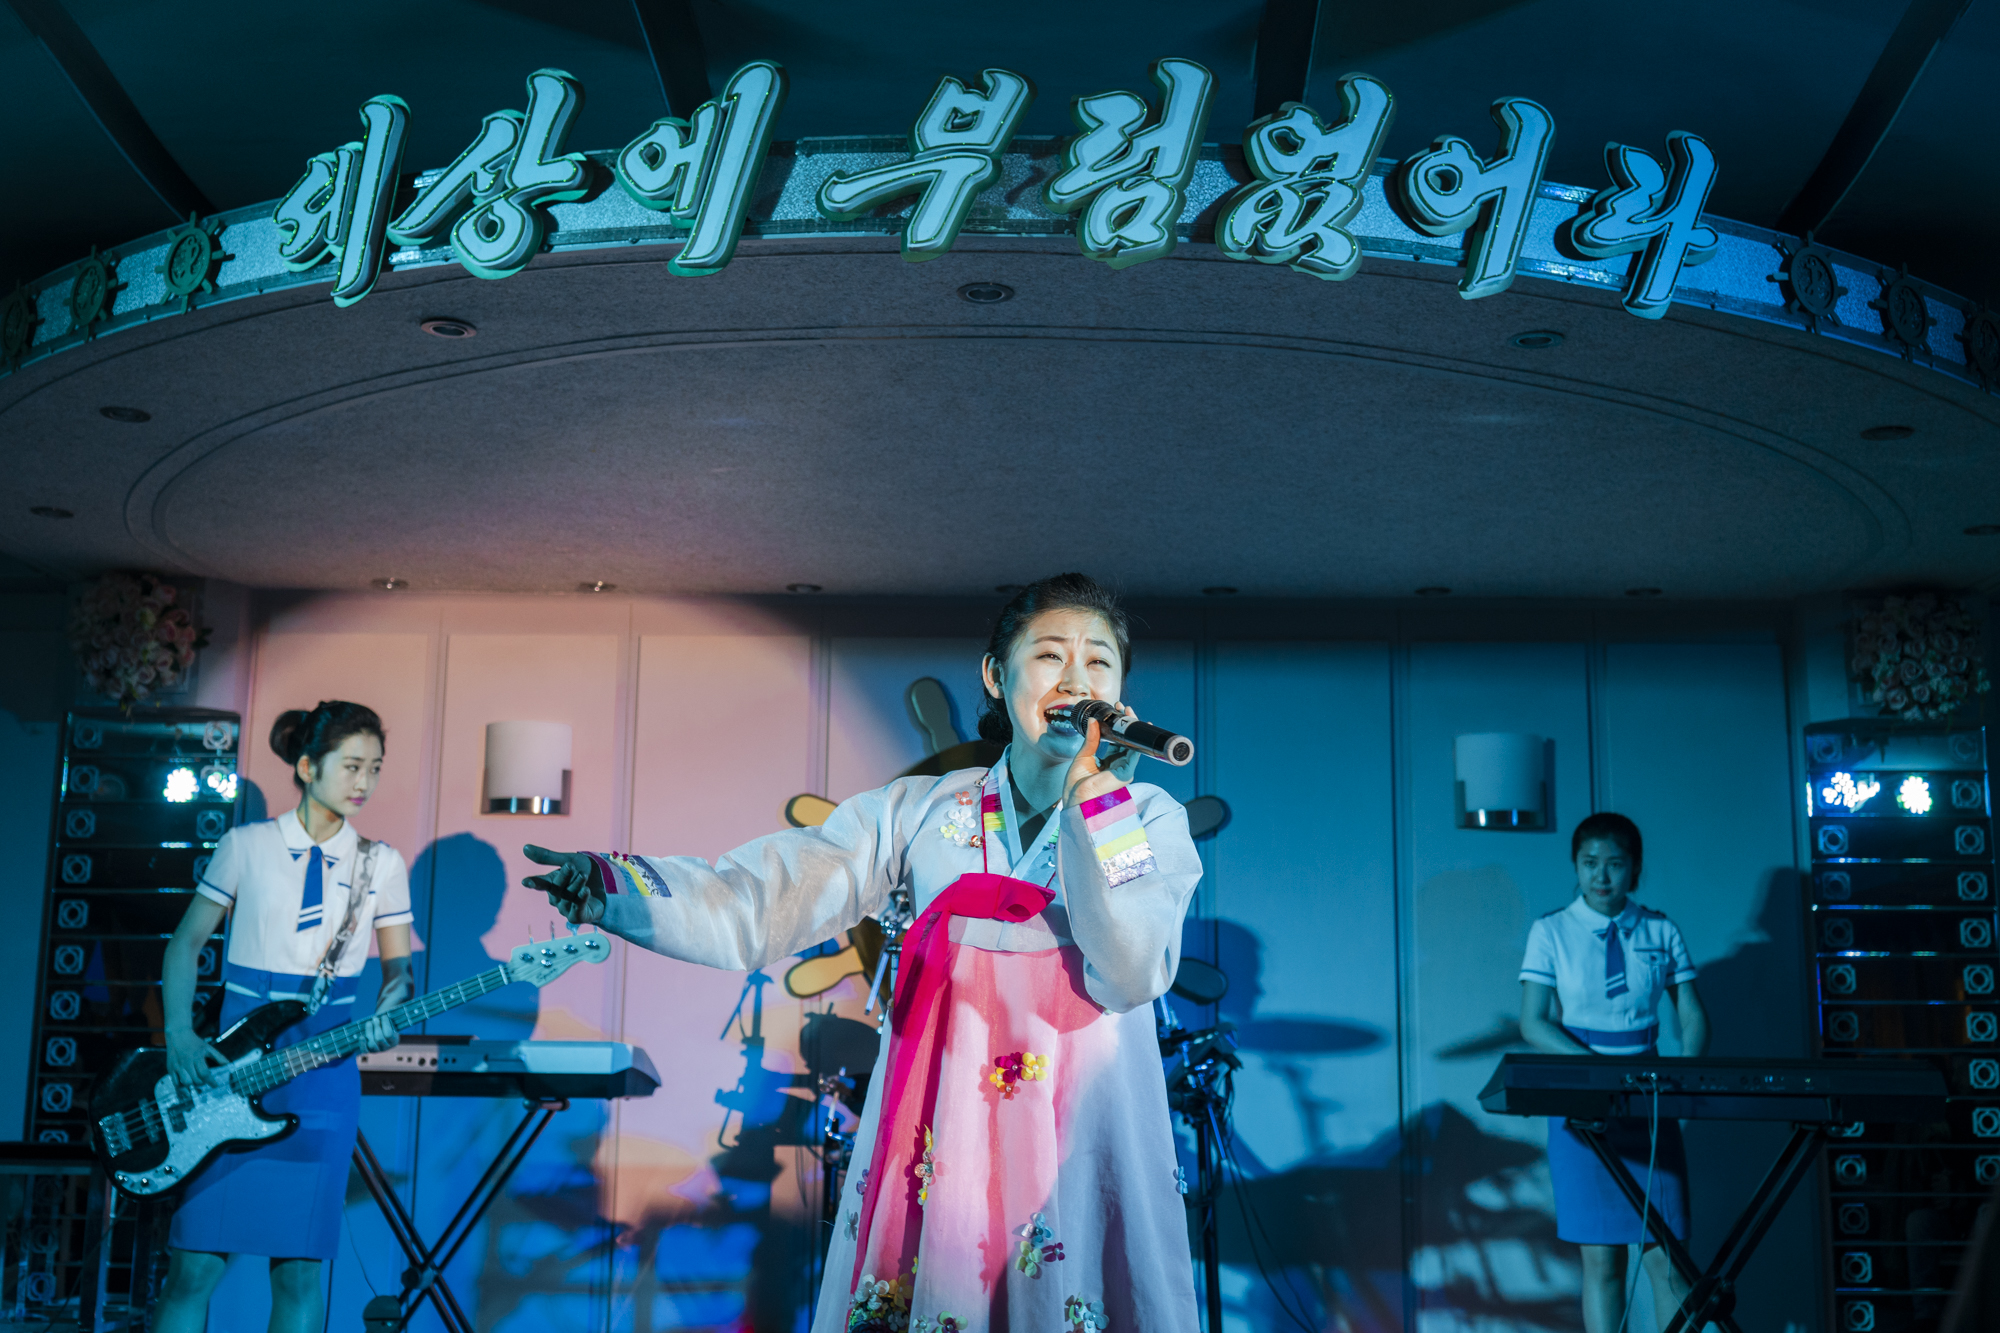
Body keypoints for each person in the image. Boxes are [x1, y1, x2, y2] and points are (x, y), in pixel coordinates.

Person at [526, 573, 1202, 1333]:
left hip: (1079, 1133)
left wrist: (1097, 803)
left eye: (1100, 663)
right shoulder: (921, 811)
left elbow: (1133, 966)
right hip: (947, 1134)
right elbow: (772, 892)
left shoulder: (1146, 818)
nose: (1077, 680)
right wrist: (619, 889)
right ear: (996, 674)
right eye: (1050, 655)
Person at [154, 702, 414, 1333]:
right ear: (307, 766)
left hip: (323, 1072)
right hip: (231, 1068)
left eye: (374, 769)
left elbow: (400, 972)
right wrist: (181, 1036)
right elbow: (184, 944)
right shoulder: (245, 845)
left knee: (299, 1270)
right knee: (194, 1266)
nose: (364, 783)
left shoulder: (383, 864)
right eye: (351, 766)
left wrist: (392, 1007)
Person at [1519, 812, 1709, 1333]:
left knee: (1667, 1258)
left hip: (1648, 1100)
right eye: (1589, 864)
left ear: (1635, 869)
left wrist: (1687, 1078)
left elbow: (1690, 1012)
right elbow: (1532, 1022)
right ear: (1576, 868)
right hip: (1582, 1099)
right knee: (1603, 1261)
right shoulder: (1551, 930)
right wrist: (1595, 1071)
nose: (1601, 877)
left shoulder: (1659, 928)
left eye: (1615, 865)